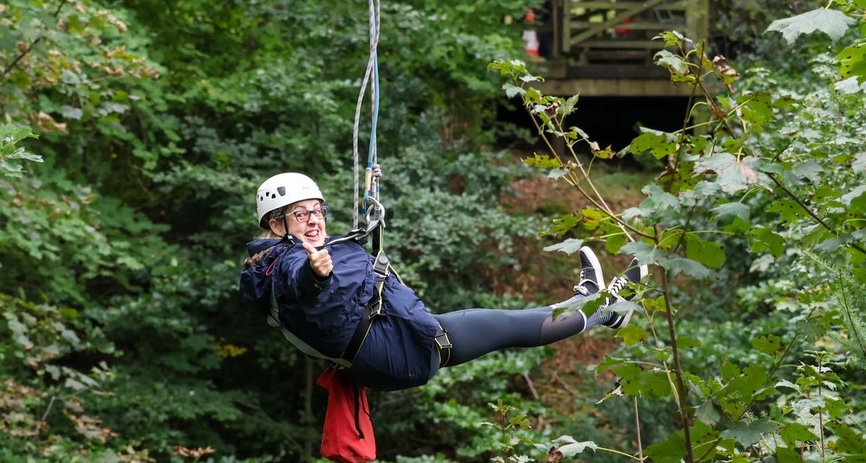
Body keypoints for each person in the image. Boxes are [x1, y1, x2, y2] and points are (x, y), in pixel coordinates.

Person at [239, 173, 647, 392]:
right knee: (505, 325)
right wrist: (315, 273)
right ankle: (604, 308)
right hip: (397, 349)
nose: (314, 221)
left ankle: (593, 304)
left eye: (318, 211)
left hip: (390, 343)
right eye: (300, 215)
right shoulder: (288, 265)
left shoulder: (282, 260)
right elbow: (301, 284)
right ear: (276, 226)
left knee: (506, 323)